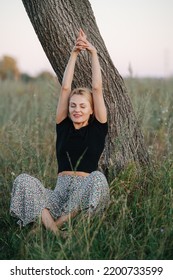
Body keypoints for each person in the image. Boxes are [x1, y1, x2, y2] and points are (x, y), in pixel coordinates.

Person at [10, 29, 110, 234]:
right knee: (23, 180)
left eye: (83, 106)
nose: (77, 110)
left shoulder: (98, 128)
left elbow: (97, 88)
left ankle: (52, 227)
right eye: (73, 106)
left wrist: (93, 54)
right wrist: (73, 54)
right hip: (59, 193)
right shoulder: (63, 125)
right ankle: (56, 231)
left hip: (84, 191)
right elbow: (65, 88)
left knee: (98, 179)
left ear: (91, 110)